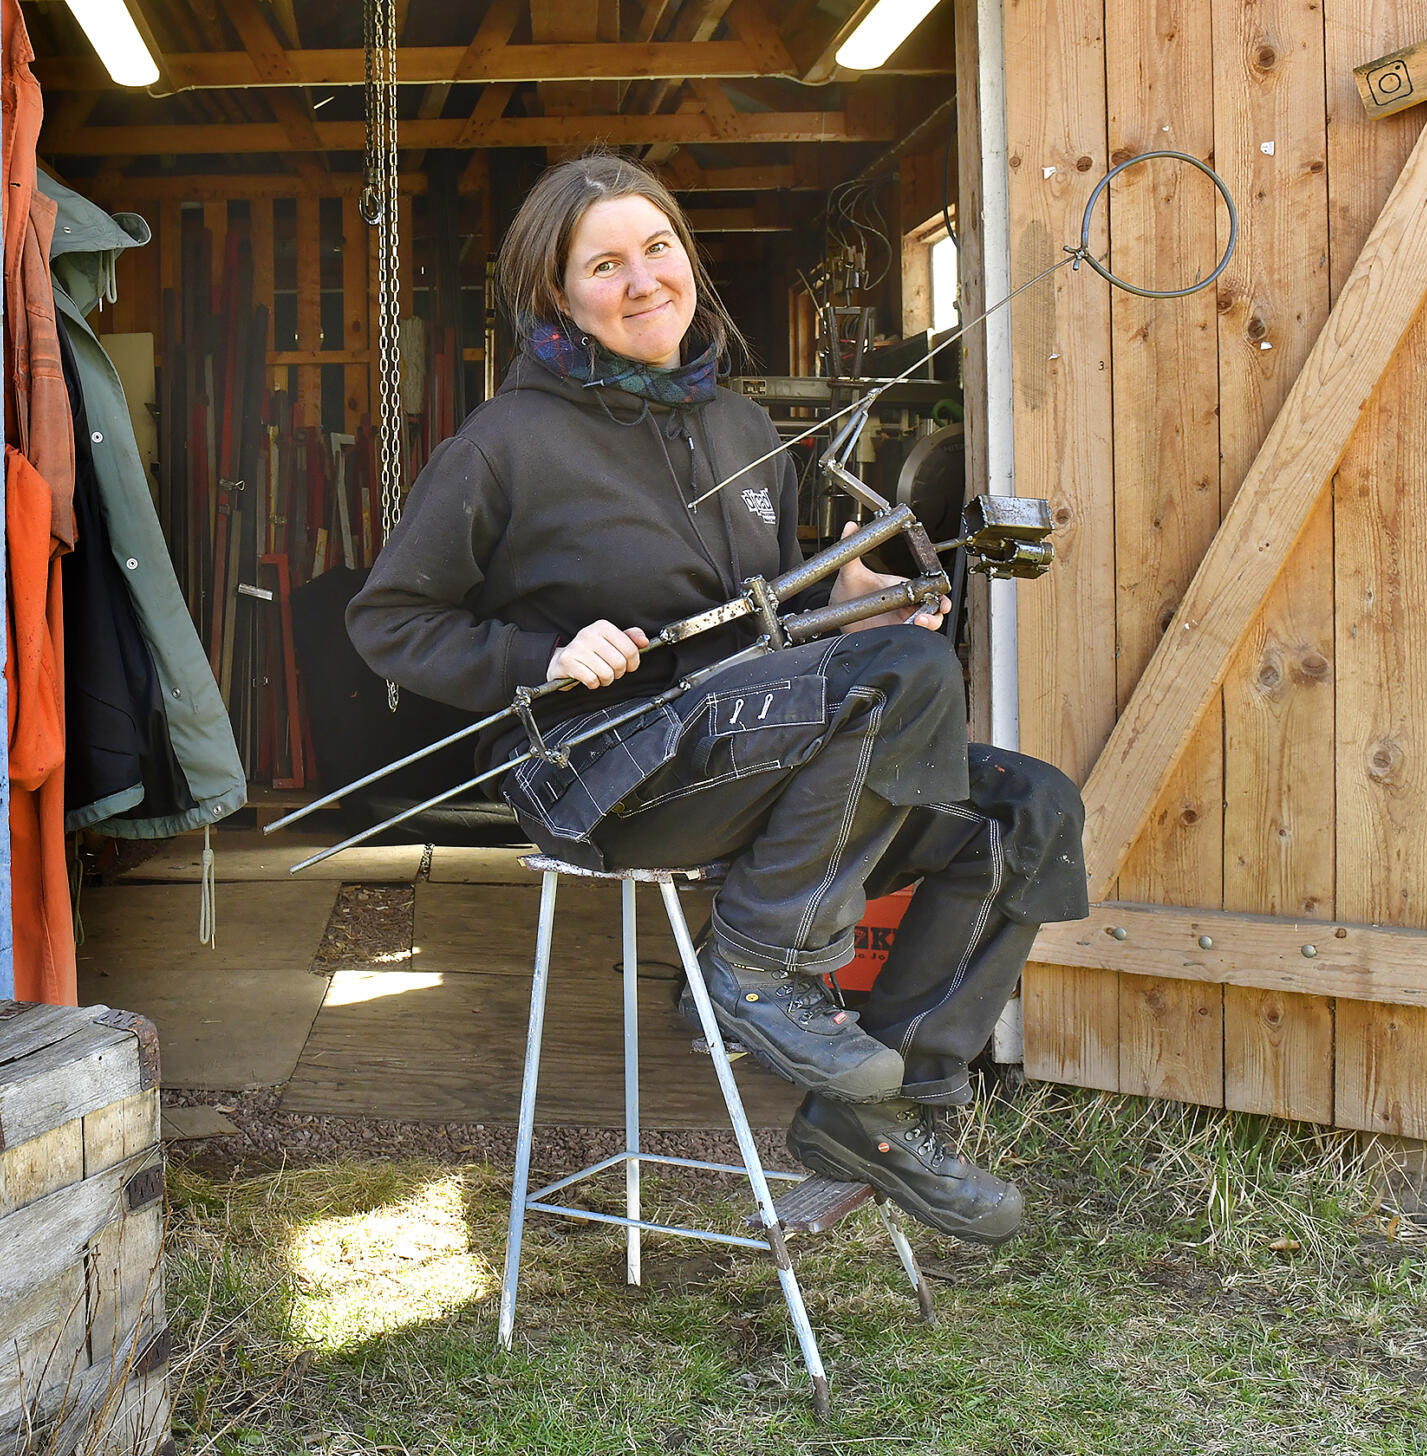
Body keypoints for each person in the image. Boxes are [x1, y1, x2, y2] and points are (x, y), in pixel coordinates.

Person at [346, 154, 1088, 1245]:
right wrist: (544, 654)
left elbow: (756, 622)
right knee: (909, 683)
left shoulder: (743, 429)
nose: (643, 279)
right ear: (559, 295)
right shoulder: (503, 442)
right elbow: (389, 623)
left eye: (658, 249)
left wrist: (851, 600)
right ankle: (756, 964)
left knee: (1028, 809)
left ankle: (886, 1117)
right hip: (603, 774)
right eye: (604, 264)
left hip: (746, 754)